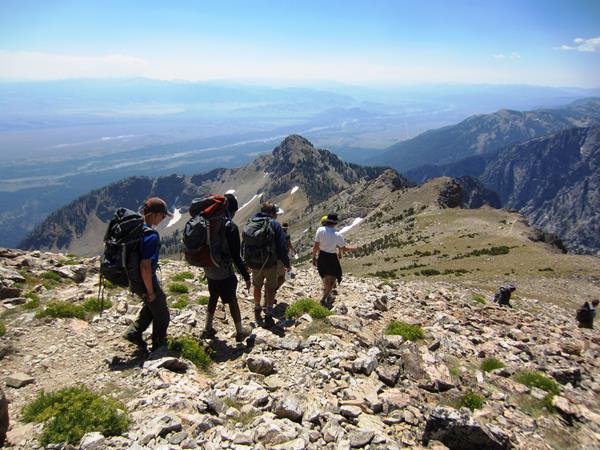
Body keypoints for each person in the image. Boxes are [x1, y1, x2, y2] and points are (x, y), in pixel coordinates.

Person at [200, 194, 253, 342]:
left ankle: (207, 328)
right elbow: (236, 257)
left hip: (209, 267)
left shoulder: (208, 222)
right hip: (223, 271)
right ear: (231, 210)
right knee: (232, 300)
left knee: (213, 296)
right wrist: (246, 276)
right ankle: (240, 331)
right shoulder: (230, 227)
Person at [124, 197, 172, 354]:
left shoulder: (138, 229)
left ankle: (134, 333)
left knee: (153, 307)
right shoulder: (150, 235)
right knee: (162, 314)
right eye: (162, 216)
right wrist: (150, 291)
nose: (163, 219)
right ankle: (158, 347)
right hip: (144, 280)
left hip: (133, 278)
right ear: (154, 214)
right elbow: (145, 266)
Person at [244, 202, 290, 328]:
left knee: (257, 286)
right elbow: (282, 247)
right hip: (270, 263)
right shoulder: (274, 224)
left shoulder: (251, 222)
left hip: (254, 263)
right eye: (275, 213)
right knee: (270, 288)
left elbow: (245, 243)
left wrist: (246, 262)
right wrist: (287, 264)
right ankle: (269, 313)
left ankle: (257, 308)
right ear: (272, 213)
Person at [312, 214, 354, 307]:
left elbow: (315, 246)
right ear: (335, 223)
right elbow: (344, 249)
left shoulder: (320, 230)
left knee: (324, 277)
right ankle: (324, 298)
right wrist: (354, 248)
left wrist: (314, 257)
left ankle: (327, 296)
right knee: (332, 280)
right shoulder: (337, 234)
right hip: (332, 258)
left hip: (322, 256)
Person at [275, 222, 296, 292]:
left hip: (273, 258)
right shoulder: (286, 235)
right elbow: (290, 245)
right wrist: (294, 251)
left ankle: (268, 293)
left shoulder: (276, 234)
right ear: (287, 227)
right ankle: (274, 290)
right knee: (284, 276)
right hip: (282, 258)